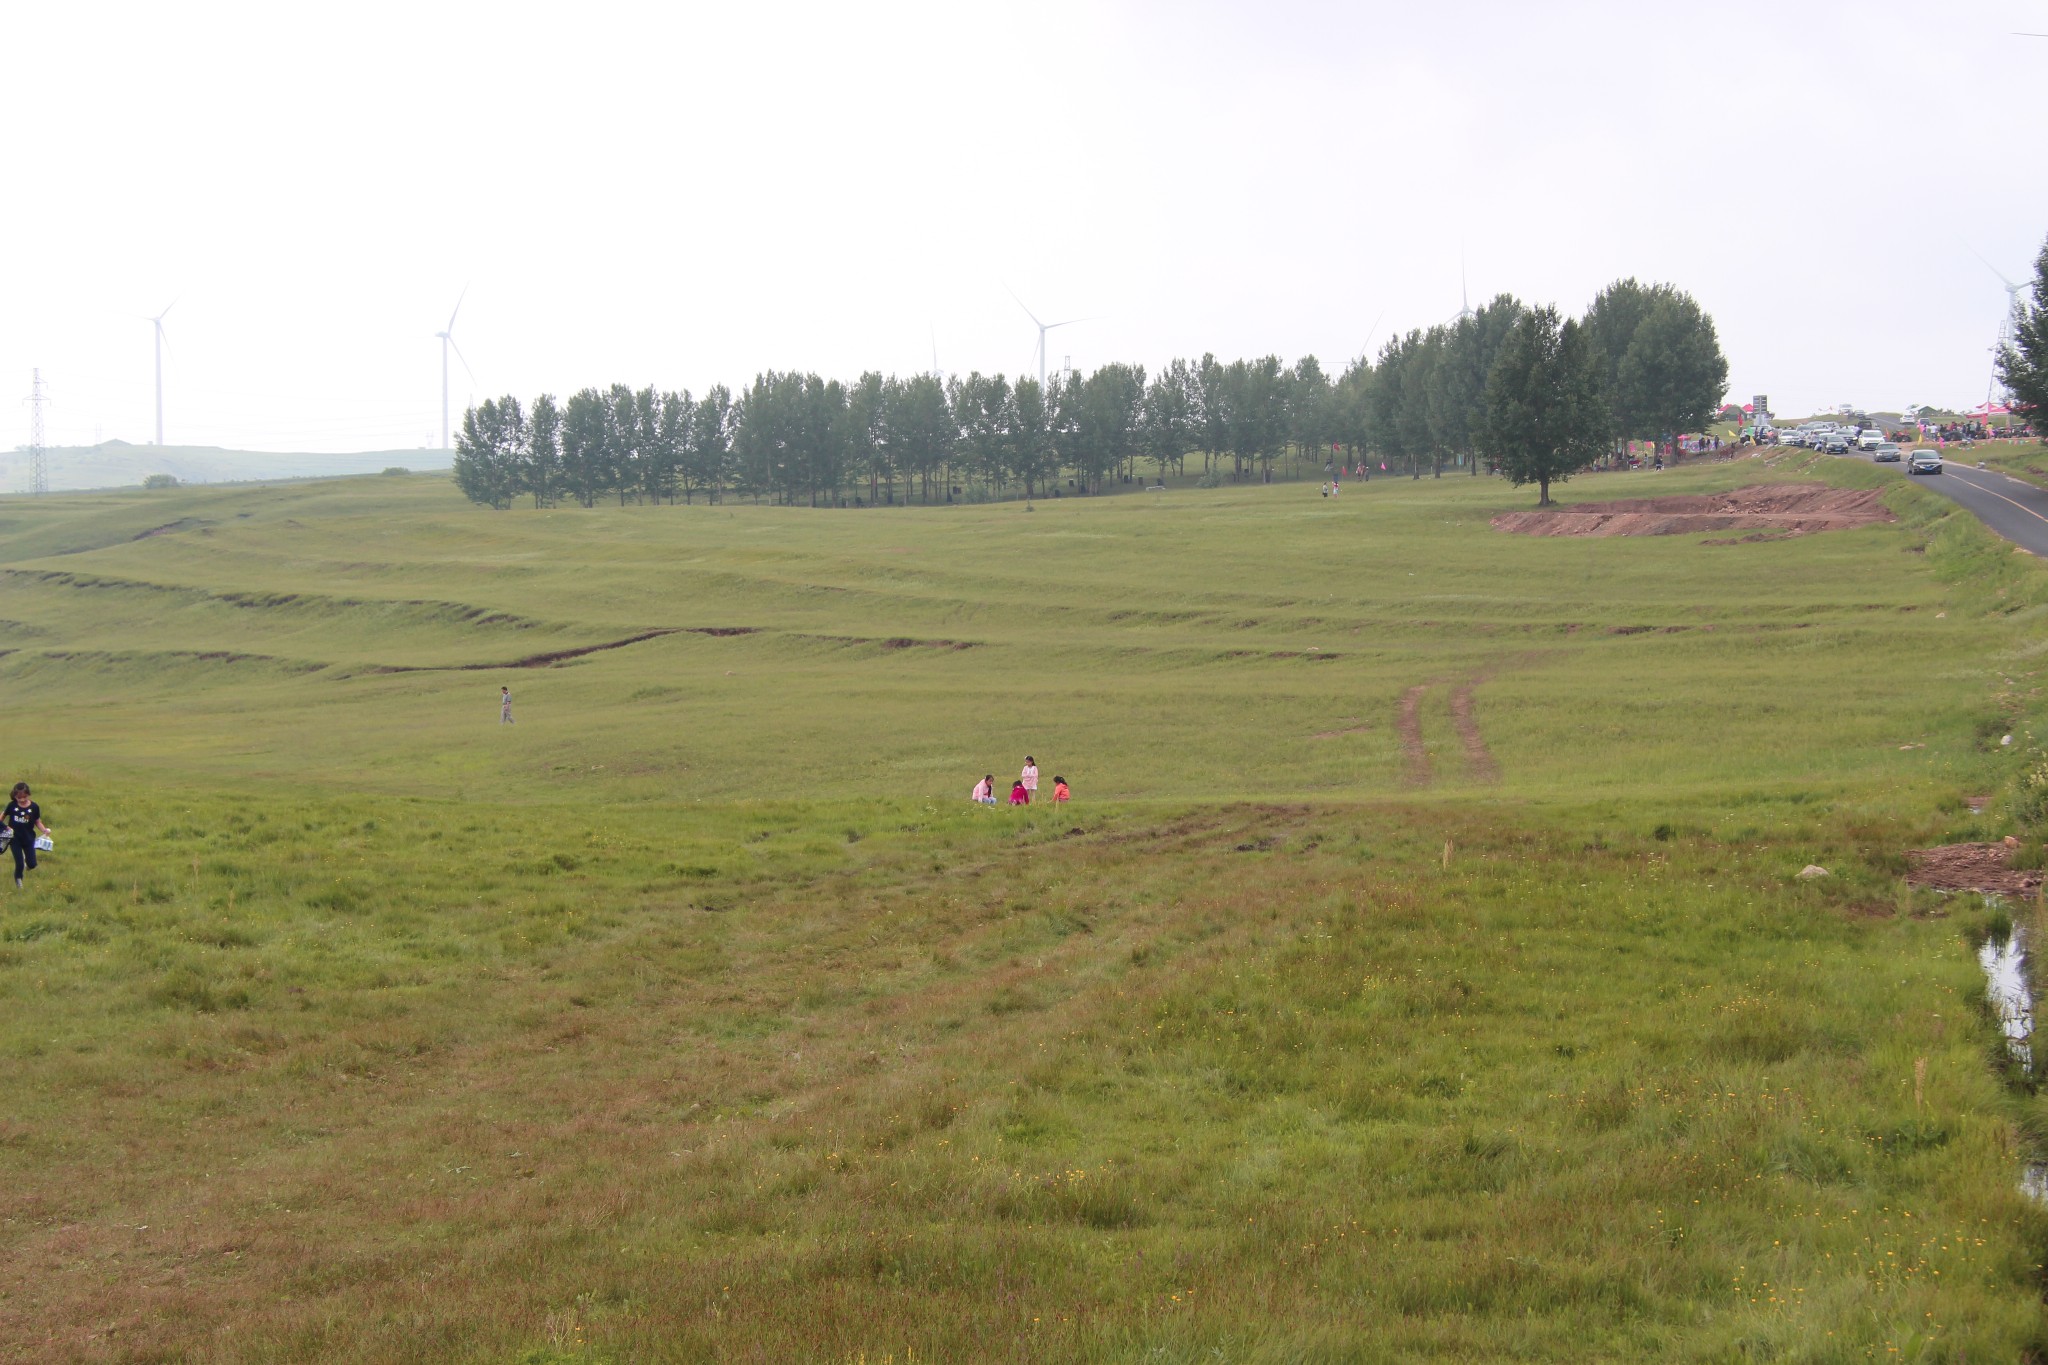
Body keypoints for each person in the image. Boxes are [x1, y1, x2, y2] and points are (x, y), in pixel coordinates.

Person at [5, 783, 50, 889]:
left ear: (28, 794)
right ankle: (18, 880)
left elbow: (37, 821)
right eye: (19, 797)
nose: (22, 800)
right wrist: (3, 828)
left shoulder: (34, 807)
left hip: (29, 839)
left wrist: (44, 830)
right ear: (15, 796)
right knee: (19, 863)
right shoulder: (12, 805)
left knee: (32, 864)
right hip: (14, 839)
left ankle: (28, 865)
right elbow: (2, 817)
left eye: (24, 797)